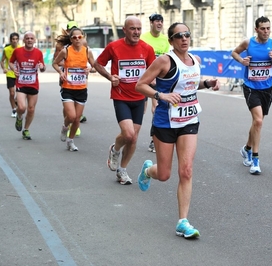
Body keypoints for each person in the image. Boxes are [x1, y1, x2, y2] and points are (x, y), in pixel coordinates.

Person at [136, 22, 220, 239]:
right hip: (165, 122)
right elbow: (140, 85)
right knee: (164, 174)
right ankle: (148, 171)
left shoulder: (195, 60)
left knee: (187, 170)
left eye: (187, 35)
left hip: (189, 120)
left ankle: (183, 221)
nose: (184, 39)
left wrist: (207, 83)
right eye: (178, 36)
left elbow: (191, 86)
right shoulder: (164, 61)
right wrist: (161, 96)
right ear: (171, 40)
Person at [94, 16, 156, 185]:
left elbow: (153, 71)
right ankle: (115, 149)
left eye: (139, 29)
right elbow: (97, 63)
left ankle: (122, 170)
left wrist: (152, 82)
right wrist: (109, 76)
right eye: (132, 29)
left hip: (139, 98)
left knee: (134, 138)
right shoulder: (114, 47)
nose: (136, 32)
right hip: (121, 96)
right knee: (128, 134)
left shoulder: (147, 49)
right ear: (125, 30)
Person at [231, 16, 272, 175]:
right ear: (256, 29)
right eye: (263, 28)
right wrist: (242, 61)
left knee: (257, 123)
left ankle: (246, 148)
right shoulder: (248, 43)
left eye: (268, 28)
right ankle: (255, 159)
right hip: (250, 86)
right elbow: (234, 52)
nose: (266, 31)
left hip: (266, 88)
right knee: (259, 120)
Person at [52, 27, 95, 151]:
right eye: (74, 37)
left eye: (79, 37)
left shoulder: (87, 52)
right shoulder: (66, 51)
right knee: (71, 116)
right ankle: (65, 127)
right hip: (68, 88)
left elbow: (95, 66)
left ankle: (70, 141)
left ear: (83, 37)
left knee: (77, 119)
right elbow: (55, 63)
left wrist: (90, 69)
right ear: (71, 39)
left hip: (81, 88)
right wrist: (61, 72)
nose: (77, 39)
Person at [140, 13, 170, 153]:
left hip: (159, 78)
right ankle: (133, 133)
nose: (159, 23)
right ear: (151, 23)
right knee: (142, 110)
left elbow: (166, 59)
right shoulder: (143, 38)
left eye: (161, 21)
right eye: (156, 21)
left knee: (156, 107)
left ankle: (154, 139)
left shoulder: (165, 40)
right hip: (144, 78)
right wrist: (148, 75)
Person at [9, 32, 46, 140]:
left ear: (35, 40)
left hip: (33, 84)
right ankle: (19, 117)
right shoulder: (17, 51)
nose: (29, 40)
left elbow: (43, 68)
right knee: (21, 107)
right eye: (27, 38)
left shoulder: (38, 53)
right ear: (24, 40)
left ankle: (26, 130)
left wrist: (42, 66)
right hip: (21, 83)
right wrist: (14, 69)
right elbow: (11, 62)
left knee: (31, 109)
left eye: (31, 38)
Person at [54, 21, 88, 128]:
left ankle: (75, 121)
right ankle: (68, 121)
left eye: (75, 28)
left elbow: (86, 58)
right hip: (65, 74)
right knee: (68, 101)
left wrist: (86, 68)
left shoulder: (84, 43)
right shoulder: (61, 45)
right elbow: (56, 61)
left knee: (78, 98)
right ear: (68, 31)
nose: (76, 37)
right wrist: (69, 64)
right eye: (71, 29)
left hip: (80, 77)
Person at [0, 32, 20, 117]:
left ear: (18, 40)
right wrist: (4, 68)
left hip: (20, 74)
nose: (15, 41)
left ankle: (16, 101)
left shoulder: (21, 48)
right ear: (10, 40)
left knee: (20, 94)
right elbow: (2, 61)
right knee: (12, 93)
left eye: (16, 39)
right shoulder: (6, 49)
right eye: (13, 39)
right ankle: (14, 110)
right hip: (10, 74)